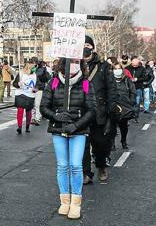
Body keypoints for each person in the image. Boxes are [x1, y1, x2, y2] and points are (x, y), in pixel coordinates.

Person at [40, 57, 96, 220]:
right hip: (58, 130)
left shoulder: (86, 83)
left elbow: (92, 110)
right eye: (71, 62)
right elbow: (43, 107)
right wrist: (56, 116)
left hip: (78, 131)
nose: (74, 65)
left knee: (76, 165)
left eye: (77, 62)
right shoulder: (54, 82)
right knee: (63, 166)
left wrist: (76, 125)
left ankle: (76, 203)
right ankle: (64, 201)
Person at [81, 35, 116, 184]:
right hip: (81, 111)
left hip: (99, 112)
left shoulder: (104, 66)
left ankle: (101, 166)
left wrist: (111, 113)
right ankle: (86, 173)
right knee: (82, 145)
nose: (85, 48)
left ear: (92, 48)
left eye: (87, 45)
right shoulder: (74, 65)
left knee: (100, 143)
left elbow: (112, 90)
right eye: (82, 45)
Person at [111, 62, 136, 149]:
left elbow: (132, 91)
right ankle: (112, 143)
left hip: (125, 106)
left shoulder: (126, 79)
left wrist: (131, 101)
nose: (117, 71)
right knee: (113, 125)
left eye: (119, 69)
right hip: (114, 105)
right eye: (115, 69)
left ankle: (123, 140)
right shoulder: (110, 79)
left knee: (123, 125)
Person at [14, 61, 37, 134]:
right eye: (33, 67)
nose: (35, 68)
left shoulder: (35, 75)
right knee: (20, 110)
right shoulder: (21, 73)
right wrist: (18, 84)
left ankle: (27, 127)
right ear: (29, 67)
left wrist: (35, 89)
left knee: (28, 111)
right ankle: (19, 127)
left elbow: (38, 85)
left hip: (30, 95)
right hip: (20, 94)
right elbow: (14, 83)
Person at [128, 56, 150, 121]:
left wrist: (137, 79)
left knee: (137, 102)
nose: (135, 66)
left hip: (138, 87)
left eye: (136, 64)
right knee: (129, 102)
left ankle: (136, 116)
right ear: (131, 62)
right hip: (128, 88)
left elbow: (145, 78)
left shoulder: (142, 68)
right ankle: (129, 114)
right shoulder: (127, 68)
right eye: (134, 64)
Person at [33, 60, 51, 126]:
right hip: (39, 88)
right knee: (37, 103)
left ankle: (37, 118)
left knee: (36, 104)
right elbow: (49, 78)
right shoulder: (43, 70)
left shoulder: (37, 70)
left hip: (37, 88)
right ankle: (36, 117)